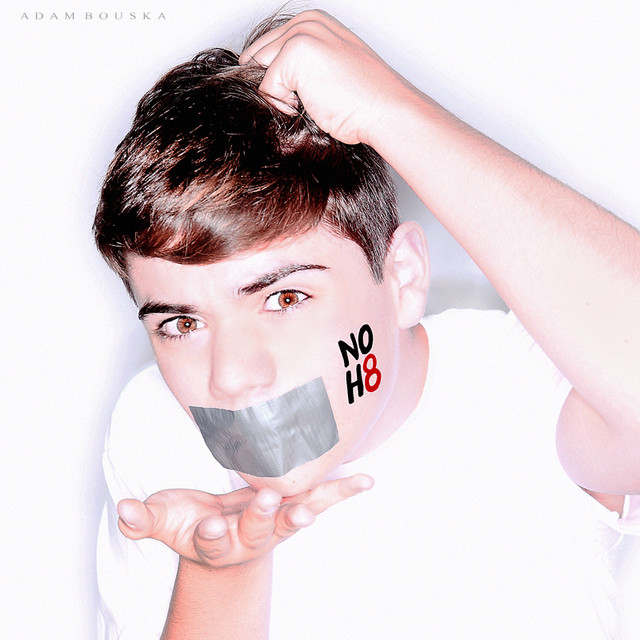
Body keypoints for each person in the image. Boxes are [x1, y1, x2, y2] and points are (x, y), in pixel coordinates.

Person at [94, 10, 640, 639]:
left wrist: (390, 111)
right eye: (181, 325)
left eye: (285, 298)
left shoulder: (528, 381)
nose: (232, 378)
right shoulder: (157, 426)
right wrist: (220, 573)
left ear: (403, 277)